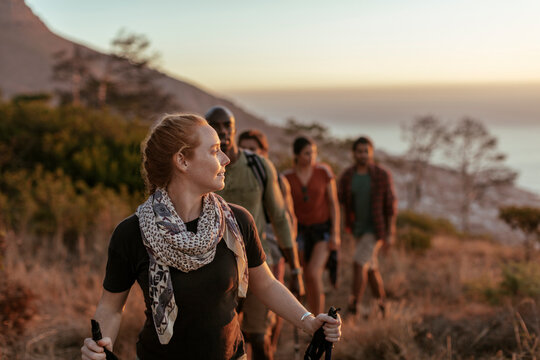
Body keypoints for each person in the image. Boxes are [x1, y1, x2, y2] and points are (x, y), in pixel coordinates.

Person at [80, 114, 340, 360]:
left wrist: (308, 321)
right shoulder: (133, 233)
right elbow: (111, 307)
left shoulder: (237, 221)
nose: (226, 158)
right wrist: (100, 345)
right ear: (182, 160)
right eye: (215, 151)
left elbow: (266, 284)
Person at [205, 107, 304, 360]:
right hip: (218, 269)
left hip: (259, 265)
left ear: (234, 128)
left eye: (227, 125)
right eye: (215, 125)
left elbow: (280, 218)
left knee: (258, 337)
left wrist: (295, 268)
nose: (223, 130)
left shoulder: (259, 166)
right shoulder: (203, 168)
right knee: (222, 339)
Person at [238, 129, 297, 352]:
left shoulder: (273, 178)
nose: (247, 153)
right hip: (243, 256)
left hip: (271, 251)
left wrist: (290, 254)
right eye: (243, 148)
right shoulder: (231, 175)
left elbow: (287, 217)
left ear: (264, 152)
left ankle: (271, 342)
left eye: (252, 149)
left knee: (272, 305)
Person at [338, 136, 397, 317]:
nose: (363, 154)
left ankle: (353, 306)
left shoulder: (381, 174)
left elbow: (390, 204)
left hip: (376, 230)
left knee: (358, 263)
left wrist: (390, 232)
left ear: (371, 153)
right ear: (354, 153)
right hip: (358, 230)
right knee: (371, 268)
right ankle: (382, 306)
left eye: (366, 151)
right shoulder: (348, 175)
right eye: (359, 151)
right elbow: (339, 200)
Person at [283, 136, 341, 315]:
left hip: (322, 230)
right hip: (299, 233)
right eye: (307, 153)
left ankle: (319, 318)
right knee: (301, 275)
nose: (312, 157)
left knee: (313, 274)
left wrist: (335, 233)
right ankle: (305, 318)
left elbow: (333, 203)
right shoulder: (287, 177)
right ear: (297, 155)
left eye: (314, 153)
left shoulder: (324, 172)